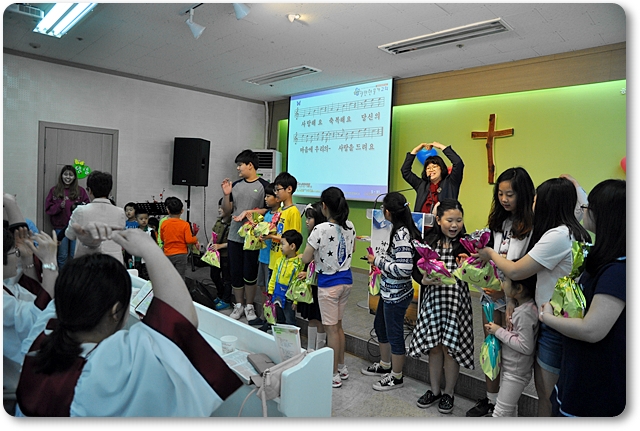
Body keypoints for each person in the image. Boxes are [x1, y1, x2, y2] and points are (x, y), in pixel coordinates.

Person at [15, 224, 243, 416]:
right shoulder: (110, 363)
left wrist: (89, 246)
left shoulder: (43, 336)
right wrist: (149, 248)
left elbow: (77, 288)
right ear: (116, 311)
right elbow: (181, 321)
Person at [474, 176, 591, 417]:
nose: (533, 203)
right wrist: (576, 186)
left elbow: (516, 270)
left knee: (546, 392)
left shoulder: (556, 235)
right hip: (562, 315)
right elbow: (582, 207)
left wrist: (490, 254)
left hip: (552, 320)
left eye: (537, 199)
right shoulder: (575, 231)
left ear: (548, 204)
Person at [539, 179, 625, 417]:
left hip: (598, 380)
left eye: (588, 206)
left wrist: (548, 317)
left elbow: (592, 329)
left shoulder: (618, 271)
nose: (584, 210)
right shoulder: (604, 259)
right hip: (578, 367)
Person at [466, 166, 535, 417]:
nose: (504, 199)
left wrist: (508, 296)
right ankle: (491, 399)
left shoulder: (532, 227)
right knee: (491, 347)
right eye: (500, 194)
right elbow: (490, 259)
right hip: (490, 296)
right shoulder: (498, 222)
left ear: (523, 195)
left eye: (510, 195)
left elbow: (527, 270)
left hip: (516, 301)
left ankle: (506, 405)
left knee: (511, 354)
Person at [408, 199, 473, 414]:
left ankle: (449, 393)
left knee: (451, 349)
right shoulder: (429, 241)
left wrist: (470, 265)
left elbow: (477, 273)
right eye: (449, 220)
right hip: (433, 301)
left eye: (459, 220)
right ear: (438, 220)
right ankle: (435, 391)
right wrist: (423, 280)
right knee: (434, 347)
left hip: (456, 303)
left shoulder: (466, 244)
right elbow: (415, 268)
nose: (454, 225)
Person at [361, 192, 423, 391]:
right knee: (380, 326)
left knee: (394, 334)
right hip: (389, 291)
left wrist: (377, 261)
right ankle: (385, 365)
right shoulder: (399, 230)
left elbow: (404, 269)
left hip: (397, 294)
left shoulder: (402, 234)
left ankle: (396, 377)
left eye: (383, 209)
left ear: (388, 212)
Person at [301, 186, 356, 389]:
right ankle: (342, 367)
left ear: (324, 206)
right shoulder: (350, 225)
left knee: (331, 330)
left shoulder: (320, 229)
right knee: (338, 327)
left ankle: (332, 374)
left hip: (328, 284)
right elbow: (352, 250)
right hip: (347, 281)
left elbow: (306, 257)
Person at [221, 149, 270, 324]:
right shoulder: (235, 185)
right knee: (235, 272)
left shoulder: (264, 185)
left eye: (240, 165)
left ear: (250, 165)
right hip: (234, 236)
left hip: (253, 238)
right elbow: (227, 211)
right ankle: (239, 305)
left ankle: (249, 306)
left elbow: (269, 210)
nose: (238, 168)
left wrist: (250, 212)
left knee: (250, 273)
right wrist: (226, 195)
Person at [484, 274, 539, 417]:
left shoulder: (525, 313)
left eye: (505, 281)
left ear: (519, 288)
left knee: (500, 413)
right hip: (512, 368)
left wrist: (498, 331)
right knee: (510, 411)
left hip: (516, 372)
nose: (502, 284)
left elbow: (526, 347)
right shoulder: (522, 307)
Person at [64, 171, 126, 265]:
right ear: (109, 191)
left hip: (87, 263)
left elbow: (70, 235)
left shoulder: (80, 210)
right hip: (114, 264)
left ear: (89, 190)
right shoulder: (120, 212)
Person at [44, 165, 90, 269]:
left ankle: (75, 277)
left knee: (75, 256)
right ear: (61, 176)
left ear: (74, 177)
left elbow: (87, 207)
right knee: (62, 256)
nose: (68, 177)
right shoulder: (54, 190)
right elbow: (48, 209)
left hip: (76, 228)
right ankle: (62, 277)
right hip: (60, 229)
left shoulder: (81, 191)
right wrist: (59, 206)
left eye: (71, 175)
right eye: (65, 174)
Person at [401, 142, 464, 215]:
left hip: (445, 221)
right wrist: (415, 150)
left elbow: (458, 163)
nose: (431, 170)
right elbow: (405, 171)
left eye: (434, 167)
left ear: (441, 168)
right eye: (428, 168)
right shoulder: (422, 185)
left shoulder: (450, 182)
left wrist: (440, 146)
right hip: (422, 222)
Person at [296, 202, 327, 351]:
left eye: (310, 218)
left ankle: (319, 349)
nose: (307, 222)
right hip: (310, 283)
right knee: (311, 318)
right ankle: (310, 349)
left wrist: (308, 272)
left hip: (320, 282)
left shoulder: (324, 237)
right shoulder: (311, 236)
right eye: (306, 218)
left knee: (320, 318)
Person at [267, 230, 304, 326]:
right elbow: (273, 277)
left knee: (289, 320)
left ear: (292, 246)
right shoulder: (279, 261)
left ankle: (290, 335)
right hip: (277, 295)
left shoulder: (298, 263)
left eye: (282, 244)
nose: (280, 247)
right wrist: (270, 291)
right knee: (278, 319)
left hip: (289, 298)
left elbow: (298, 283)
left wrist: (296, 301)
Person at [158, 196, 199, 281]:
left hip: (168, 253)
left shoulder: (164, 223)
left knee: (168, 275)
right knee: (180, 276)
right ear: (182, 211)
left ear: (168, 210)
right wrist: (195, 238)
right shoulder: (185, 224)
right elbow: (189, 240)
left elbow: (162, 238)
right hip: (181, 254)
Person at [256, 185, 279, 316]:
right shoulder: (267, 214)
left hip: (272, 259)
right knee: (262, 287)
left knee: (270, 289)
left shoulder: (280, 215)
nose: (265, 199)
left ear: (277, 198)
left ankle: (271, 317)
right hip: (262, 256)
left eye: (268, 196)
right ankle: (264, 315)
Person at [209, 198, 233, 311]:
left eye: (222, 208)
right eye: (219, 207)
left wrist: (220, 246)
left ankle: (226, 300)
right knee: (214, 275)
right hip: (215, 255)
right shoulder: (218, 221)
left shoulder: (232, 223)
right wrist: (210, 243)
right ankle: (220, 294)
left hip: (225, 255)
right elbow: (213, 234)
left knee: (226, 279)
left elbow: (232, 242)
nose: (219, 210)